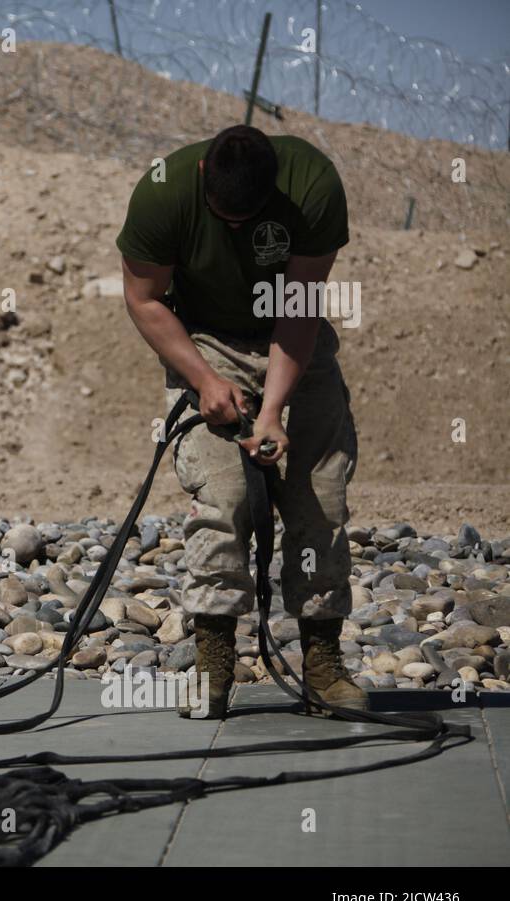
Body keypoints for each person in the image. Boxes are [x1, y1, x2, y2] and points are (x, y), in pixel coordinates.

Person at [116, 124, 366, 719]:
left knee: (320, 499)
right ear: (203, 177)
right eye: (222, 219)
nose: (233, 230)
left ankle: (323, 668)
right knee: (222, 499)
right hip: (204, 344)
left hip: (293, 344)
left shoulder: (312, 187)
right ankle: (213, 665)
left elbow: (299, 306)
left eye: (245, 220)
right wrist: (205, 382)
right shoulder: (161, 192)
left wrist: (274, 410)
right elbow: (144, 299)